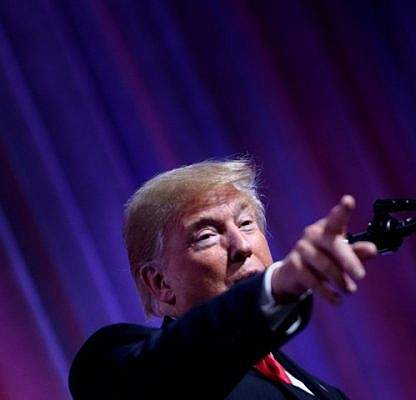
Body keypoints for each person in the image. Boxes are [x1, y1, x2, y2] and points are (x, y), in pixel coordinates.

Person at [68, 159, 378, 399]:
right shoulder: (112, 365)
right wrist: (274, 289)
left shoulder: (327, 393)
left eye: (246, 223)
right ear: (160, 283)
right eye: (206, 235)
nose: (242, 246)